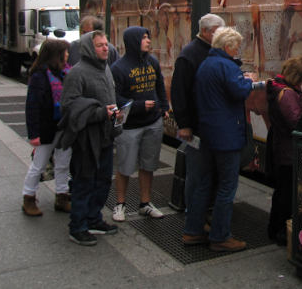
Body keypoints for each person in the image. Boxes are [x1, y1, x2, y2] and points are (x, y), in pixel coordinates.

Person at [195, 27, 257, 252]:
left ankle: (192, 231)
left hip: (209, 133)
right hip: (227, 136)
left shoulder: (205, 64)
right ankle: (220, 236)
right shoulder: (227, 65)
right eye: (237, 47)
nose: (237, 51)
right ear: (228, 47)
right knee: (227, 186)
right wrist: (249, 81)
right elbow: (240, 92)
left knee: (205, 183)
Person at [58, 31, 121, 246]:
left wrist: (116, 113)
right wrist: (101, 113)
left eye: (106, 44)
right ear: (87, 48)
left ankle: (94, 218)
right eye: (99, 45)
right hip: (86, 139)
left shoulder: (105, 68)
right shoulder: (77, 73)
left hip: (105, 136)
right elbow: (68, 108)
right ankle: (78, 227)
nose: (106, 48)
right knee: (84, 182)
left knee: (103, 180)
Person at [171, 13, 225, 246]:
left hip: (210, 125)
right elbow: (179, 92)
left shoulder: (210, 52)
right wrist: (184, 124)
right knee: (196, 173)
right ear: (205, 31)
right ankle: (193, 216)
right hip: (196, 127)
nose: (221, 36)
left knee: (208, 174)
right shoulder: (189, 54)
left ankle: (203, 212)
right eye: (218, 31)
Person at [110, 26, 169, 222]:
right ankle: (120, 205)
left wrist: (164, 107)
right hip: (130, 126)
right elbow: (115, 96)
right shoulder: (118, 68)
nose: (148, 41)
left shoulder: (152, 62)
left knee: (148, 165)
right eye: (143, 38)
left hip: (153, 123)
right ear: (133, 41)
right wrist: (138, 106)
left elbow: (159, 85)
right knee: (125, 166)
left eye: (148, 37)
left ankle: (145, 204)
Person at [22, 39, 72, 217]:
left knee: (63, 163)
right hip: (46, 129)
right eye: (65, 52)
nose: (67, 54)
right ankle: (28, 197)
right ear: (56, 55)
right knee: (39, 165)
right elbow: (32, 107)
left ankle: (62, 196)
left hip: (64, 127)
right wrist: (33, 134)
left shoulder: (67, 72)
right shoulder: (39, 76)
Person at [266, 56, 302, 246]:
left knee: (282, 189)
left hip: (283, 146)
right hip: (289, 149)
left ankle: (275, 228)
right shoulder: (288, 94)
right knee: (288, 191)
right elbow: (296, 122)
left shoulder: (279, 88)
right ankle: (283, 231)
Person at [236, 0, 260, 72]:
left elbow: (259, 43)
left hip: (248, 68)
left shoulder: (255, 7)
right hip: (236, 63)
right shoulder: (238, 8)